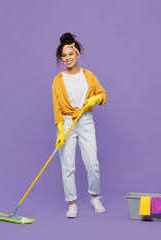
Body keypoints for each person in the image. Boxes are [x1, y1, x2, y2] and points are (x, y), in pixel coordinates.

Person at [52, 33, 107, 218]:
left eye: (70, 54)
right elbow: (57, 108)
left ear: (77, 54)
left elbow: (102, 94)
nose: (67, 58)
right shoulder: (58, 80)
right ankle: (72, 203)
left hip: (85, 121)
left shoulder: (88, 75)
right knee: (67, 165)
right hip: (67, 122)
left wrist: (96, 98)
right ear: (61, 58)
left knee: (92, 163)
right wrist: (60, 131)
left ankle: (95, 196)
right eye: (64, 56)